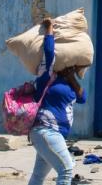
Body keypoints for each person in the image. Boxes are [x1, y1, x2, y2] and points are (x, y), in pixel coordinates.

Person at [28, 17, 87, 185]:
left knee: (38, 176)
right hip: (46, 130)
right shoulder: (47, 75)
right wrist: (49, 29)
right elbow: (49, 52)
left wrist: (72, 78)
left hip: (55, 134)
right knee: (66, 169)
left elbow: (83, 98)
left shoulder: (70, 83)